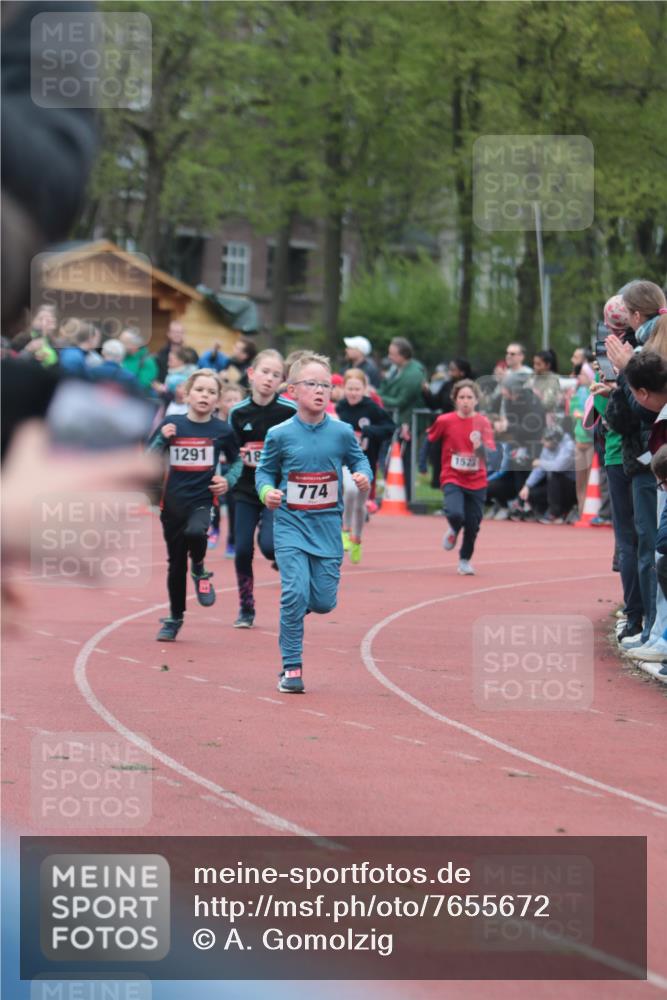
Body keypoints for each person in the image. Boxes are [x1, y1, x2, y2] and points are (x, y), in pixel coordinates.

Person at [255, 353, 371, 693]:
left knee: (322, 602)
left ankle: (293, 615)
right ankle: (292, 668)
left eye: (325, 385)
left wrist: (363, 474)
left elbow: (359, 458)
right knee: (294, 593)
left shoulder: (341, 431)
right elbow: (264, 471)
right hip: (290, 524)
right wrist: (266, 492)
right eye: (312, 384)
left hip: (327, 526)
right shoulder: (279, 434)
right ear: (292, 391)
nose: (320, 390)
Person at [148, 369, 241, 642]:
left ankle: (199, 567)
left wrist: (227, 481)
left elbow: (236, 462)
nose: (205, 395)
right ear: (186, 395)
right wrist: (161, 439)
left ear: (218, 401)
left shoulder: (222, 430)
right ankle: (175, 618)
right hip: (173, 504)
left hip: (203, 501)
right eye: (200, 390)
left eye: (212, 392)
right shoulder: (172, 423)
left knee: (195, 533)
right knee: (175, 565)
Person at [228, 349, 296, 627]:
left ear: (282, 380)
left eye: (275, 374)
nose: (269, 379)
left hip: (277, 491)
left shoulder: (289, 412)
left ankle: (282, 558)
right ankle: (246, 607)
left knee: (268, 547)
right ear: (252, 374)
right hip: (245, 490)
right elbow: (230, 453)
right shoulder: (237, 413)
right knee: (242, 549)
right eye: (264, 372)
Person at [427, 380, 496, 575]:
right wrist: (423, 462)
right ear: (455, 400)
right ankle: (454, 528)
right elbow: (430, 440)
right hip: (453, 476)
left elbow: (490, 453)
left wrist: (479, 446)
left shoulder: (483, 422)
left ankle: (465, 559)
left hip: (477, 480)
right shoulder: (445, 421)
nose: (465, 401)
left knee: (473, 524)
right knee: (456, 514)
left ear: (476, 400)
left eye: (469, 398)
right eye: (462, 397)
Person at [336, 368, 395, 563]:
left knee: (360, 505)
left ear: (364, 390)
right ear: (344, 388)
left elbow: (389, 428)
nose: (353, 393)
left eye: (357, 389)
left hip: (365, 463)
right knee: (350, 491)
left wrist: (370, 431)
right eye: (350, 388)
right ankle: (344, 531)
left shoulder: (372, 408)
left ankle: (357, 539)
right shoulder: (340, 408)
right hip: (344, 462)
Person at [380, 337, 426, 501]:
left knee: (404, 459)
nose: (389, 357)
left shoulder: (412, 374)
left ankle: (404, 496)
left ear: (403, 355)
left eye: (392, 354)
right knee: (392, 458)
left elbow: (401, 401)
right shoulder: (396, 369)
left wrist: (378, 398)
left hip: (407, 422)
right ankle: (397, 494)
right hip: (398, 421)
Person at [209, 382, 246, 552]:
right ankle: (214, 528)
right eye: (228, 400)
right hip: (215, 467)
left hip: (234, 470)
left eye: (236, 400)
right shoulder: (213, 422)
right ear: (219, 402)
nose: (232, 404)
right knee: (213, 501)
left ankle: (232, 540)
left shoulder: (244, 422)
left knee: (233, 505)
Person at [518, 426, 577, 523]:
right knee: (531, 493)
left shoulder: (568, 446)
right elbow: (539, 469)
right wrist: (527, 485)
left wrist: (540, 462)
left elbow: (559, 467)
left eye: (545, 440)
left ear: (555, 441)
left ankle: (557, 513)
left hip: (571, 485)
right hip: (555, 485)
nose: (542, 442)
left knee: (555, 474)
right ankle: (540, 511)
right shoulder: (548, 447)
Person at [120, 328, 159, 393]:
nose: (121, 345)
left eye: (124, 342)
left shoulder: (147, 361)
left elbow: (142, 384)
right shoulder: (121, 357)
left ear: (135, 345)